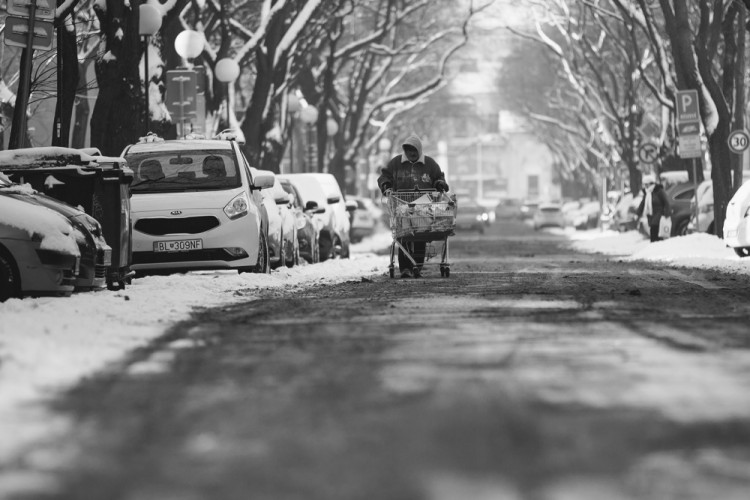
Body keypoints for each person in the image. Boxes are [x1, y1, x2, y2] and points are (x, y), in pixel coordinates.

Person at [378, 134, 449, 278]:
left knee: (420, 236)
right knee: (404, 236)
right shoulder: (396, 163)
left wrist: (440, 183)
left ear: (419, 150)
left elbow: (439, 177)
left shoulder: (429, 164)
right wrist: (386, 185)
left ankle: (417, 266)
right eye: (408, 150)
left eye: (414, 150)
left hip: (424, 208)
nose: (411, 153)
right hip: (401, 206)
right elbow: (385, 176)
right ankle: (405, 268)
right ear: (405, 150)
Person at [636, 174, 670, 242]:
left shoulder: (659, 191)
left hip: (659, 215)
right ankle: (655, 246)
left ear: (651, 183)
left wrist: (666, 213)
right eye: (644, 184)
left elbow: (666, 202)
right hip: (651, 216)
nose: (645, 186)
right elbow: (643, 203)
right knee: (654, 231)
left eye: (646, 184)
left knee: (655, 230)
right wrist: (638, 213)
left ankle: (656, 246)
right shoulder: (647, 193)